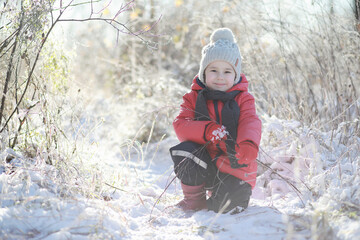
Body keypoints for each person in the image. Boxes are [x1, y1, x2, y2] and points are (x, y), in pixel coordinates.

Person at [169, 28, 262, 213]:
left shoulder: (243, 99)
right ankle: (194, 200)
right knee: (185, 151)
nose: (220, 76)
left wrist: (248, 144)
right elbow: (181, 125)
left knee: (224, 207)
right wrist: (207, 130)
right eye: (213, 70)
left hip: (233, 166)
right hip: (205, 163)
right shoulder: (193, 97)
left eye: (227, 71)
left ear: (235, 75)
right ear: (203, 72)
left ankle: (224, 196)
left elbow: (250, 121)